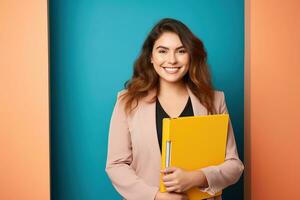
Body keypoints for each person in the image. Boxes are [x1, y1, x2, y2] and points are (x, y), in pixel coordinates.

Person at [105, 18, 244, 200]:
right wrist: (155, 196)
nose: (172, 60)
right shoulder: (127, 101)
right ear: (151, 57)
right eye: (162, 51)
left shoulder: (215, 100)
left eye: (181, 51)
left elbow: (234, 165)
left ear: (191, 55)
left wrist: (197, 177)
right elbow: (116, 165)